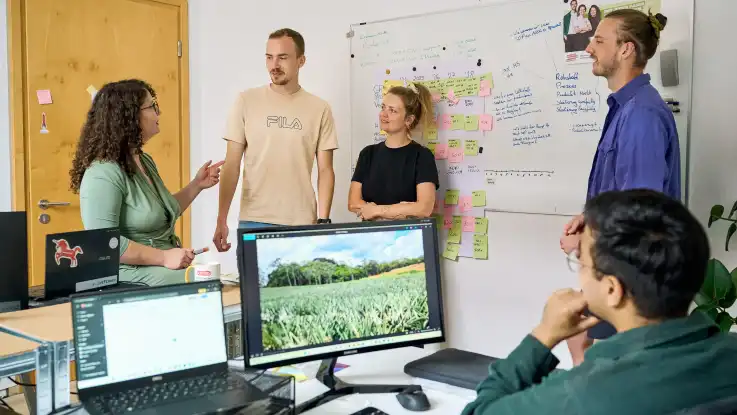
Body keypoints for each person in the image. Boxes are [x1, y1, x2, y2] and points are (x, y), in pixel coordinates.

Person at [462, 189, 737, 415]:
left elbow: (481, 411)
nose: (579, 273)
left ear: (612, 289)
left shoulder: (580, 395)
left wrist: (544, 334)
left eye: (580, 261)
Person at [559, 9, 679, 364]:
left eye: (599, 40)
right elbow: (621, 190)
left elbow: (640, 211)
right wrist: (588, 217)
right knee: (581, 341)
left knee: (605, 369)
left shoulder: (641, 114)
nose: (589, 49)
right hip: (615, 269)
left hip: (632, 275)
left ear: (626, 50)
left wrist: (586, 242)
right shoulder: (624, 108)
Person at [70, 79, 224, 286]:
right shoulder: (102, 173)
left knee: (217, 281)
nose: (158, 113)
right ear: (129, 117)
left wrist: (197, 184)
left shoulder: (143, 161)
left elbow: (162, 211)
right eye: (152, 107)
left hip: (160, 266)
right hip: (127, 273)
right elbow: (104, 243)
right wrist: (164, 257)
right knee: (210, 283)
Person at [213, 28, 338, 253]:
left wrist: (323, 221)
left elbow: (326, 170)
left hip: (302, 222)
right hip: (254, 219)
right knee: (252, 288)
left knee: (302, 288)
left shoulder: (320, 108)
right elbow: (231, 165)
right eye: (269, 57)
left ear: (301, 61)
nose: (274, 65)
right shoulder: (246, 100)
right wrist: (222, 218)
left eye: (282, 57)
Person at [348, 82, 439, 221]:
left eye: (392, 110)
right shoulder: (368, 153)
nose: (384, 114)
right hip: (370, 236)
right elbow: (353, 203)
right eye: (383, 108)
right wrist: (401, 209)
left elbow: (423, 209)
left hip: (407, 237)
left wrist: (377, 210)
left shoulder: (422, 156)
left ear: (408, 120)